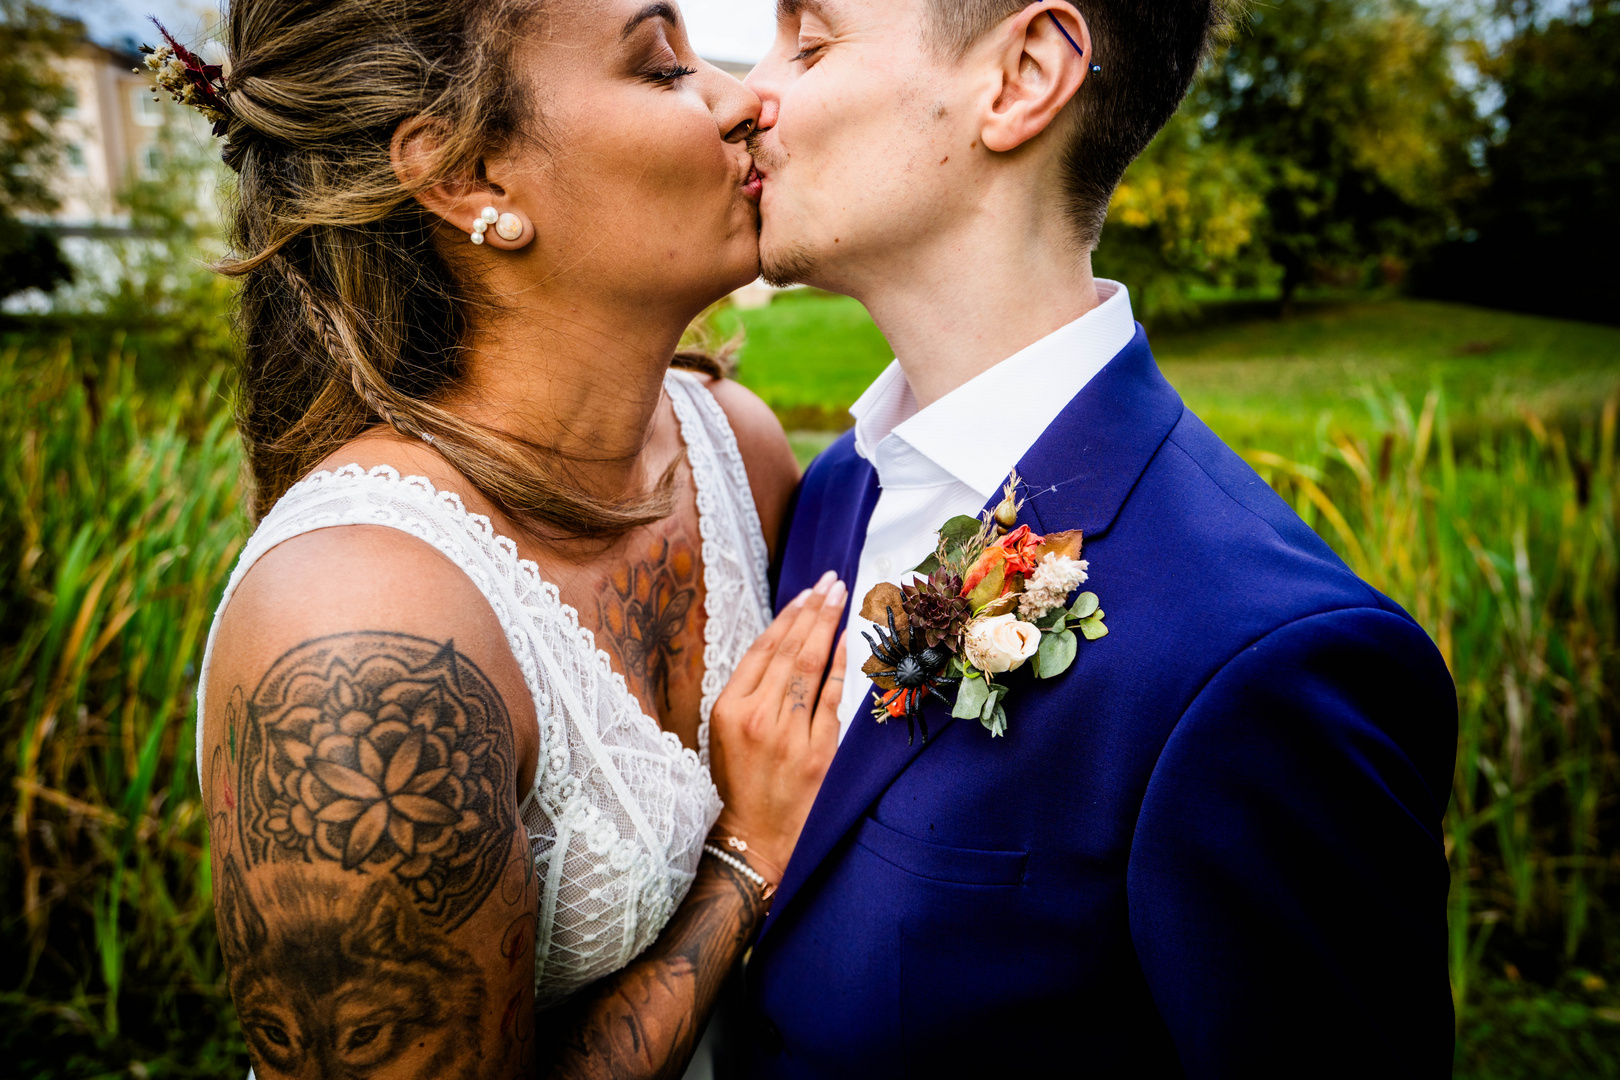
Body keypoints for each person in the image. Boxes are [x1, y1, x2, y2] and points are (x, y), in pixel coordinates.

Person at [740, 0, 1459, 1074]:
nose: (749, 93)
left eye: (809, 40)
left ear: (1023, 74)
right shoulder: (831, 494)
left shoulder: (1266, 659)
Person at [162, 1, 845, 1077]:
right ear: (473, 178)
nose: (743, 98)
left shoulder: (738, 451)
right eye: (665, 67)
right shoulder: (356, 631)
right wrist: (742, 867)